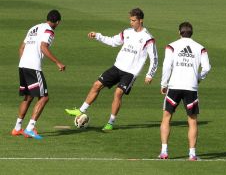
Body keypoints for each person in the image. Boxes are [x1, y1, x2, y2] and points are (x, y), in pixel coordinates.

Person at [65, 8, 158, 132]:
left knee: (118, 93)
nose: (131, 23)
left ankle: (110, 122)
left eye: (133, 20)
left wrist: (150, 75)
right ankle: (81, 110)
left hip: (130, 73)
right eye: (130, 20)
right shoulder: (127, 32)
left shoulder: (148, 38)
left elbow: (154, 58)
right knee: (97, 85)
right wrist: (97, 36)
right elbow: (113, 42)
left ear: (141, 20)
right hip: (117, 67)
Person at [158, 22, 211, 160]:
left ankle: (164, 151)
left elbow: (166, 66)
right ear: (191, 32)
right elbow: (207, 68)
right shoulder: (200, 48)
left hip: (174, 86)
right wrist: (198, 78)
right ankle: (192, 154)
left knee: (166, 117)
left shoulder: (171, 46)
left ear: (179, 32)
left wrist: (164, 83)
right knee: (192, 121)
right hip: (191, 87)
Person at [11, 10, 65, 139]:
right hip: (33, 67)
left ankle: (17, 128)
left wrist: (23, 62)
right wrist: (58, 62)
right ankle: (30, 128)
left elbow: (21, 48)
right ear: (58, 22)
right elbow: (43, 47)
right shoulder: (49, 31)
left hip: (23, 65)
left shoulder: (34, 28)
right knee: (44, 97)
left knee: (28, 97)